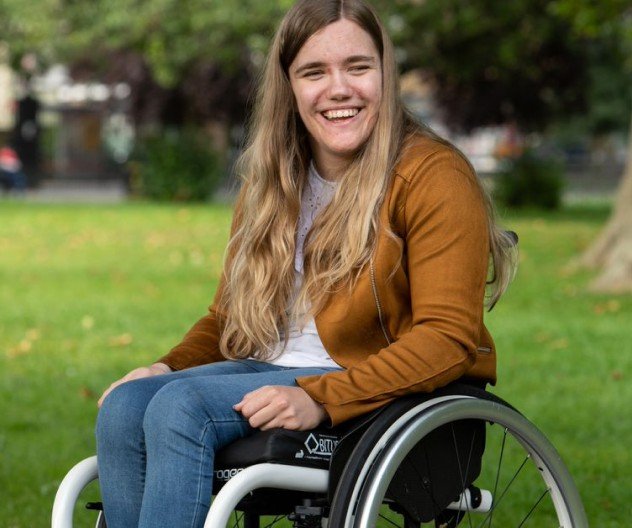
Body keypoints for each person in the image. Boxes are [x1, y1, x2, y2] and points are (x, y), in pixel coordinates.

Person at [95, 1, 516, 526]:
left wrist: (321, 398)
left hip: (370, 389)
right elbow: (230, 318)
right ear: (289, 86)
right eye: (314, 72)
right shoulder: (273, 180)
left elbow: (447, 338)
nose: (338, 89)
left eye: (357, 67)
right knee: (126, 407)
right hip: (269, 369)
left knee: (180, 410)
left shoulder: (432, 174)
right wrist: (166, 367)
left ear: (386, 73)